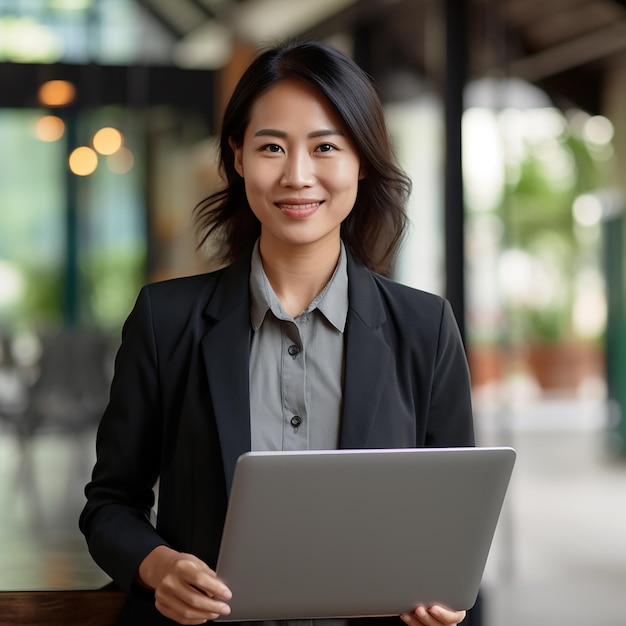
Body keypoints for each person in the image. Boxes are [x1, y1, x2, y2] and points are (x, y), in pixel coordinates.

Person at [79, 40, 474, 626]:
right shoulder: (166, 321)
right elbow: (110, 505)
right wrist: (158, 565)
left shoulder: (426, 328)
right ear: (237, 157)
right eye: (271, 147)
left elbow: (456, 518)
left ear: (360, 161)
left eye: (325, 148)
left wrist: (442, 596)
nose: (297, 175)